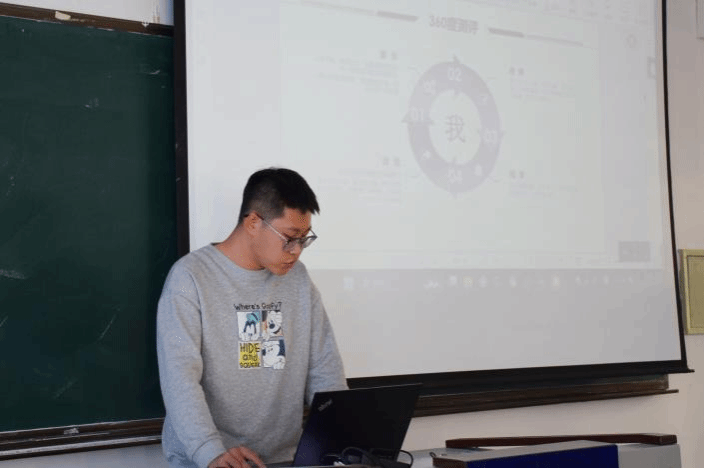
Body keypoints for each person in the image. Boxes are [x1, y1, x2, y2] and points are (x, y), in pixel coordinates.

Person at [156, 168, 347, 468]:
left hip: (284, 459)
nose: (297, 251)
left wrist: (347, 440)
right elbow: (179, 378)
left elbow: (324, 369)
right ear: (254, 223)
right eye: (289, 238)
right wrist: (210, 452)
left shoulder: (298, 279)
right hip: (210, 461)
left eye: (304, 239)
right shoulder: (189, 278)